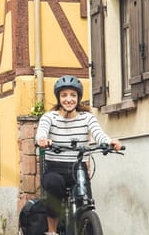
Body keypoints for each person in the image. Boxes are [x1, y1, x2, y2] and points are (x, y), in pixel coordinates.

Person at [35, 75, 122, 235]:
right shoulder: (49, 117)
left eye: (73, 95)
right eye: (64, 95)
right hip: (55, 168)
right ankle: (52, 231)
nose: (69, 99)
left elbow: (98, 134)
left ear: (79, 97)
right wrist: (42, 140)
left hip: (78, 168)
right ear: (58, 98)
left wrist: (109, 142)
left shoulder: (87, 118)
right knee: (54, 186)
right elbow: (41, 132)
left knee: (84, 198)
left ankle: (84, 223)